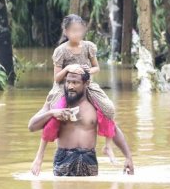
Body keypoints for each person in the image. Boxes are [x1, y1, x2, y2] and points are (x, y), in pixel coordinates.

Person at [30, 14, 117, 175]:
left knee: (109, 108)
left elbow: (96, 67)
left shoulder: (89, 46)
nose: (77, 34)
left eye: (80, 30)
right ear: (66, 32)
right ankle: (39, 156)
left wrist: (86, 72)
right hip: (63, 85)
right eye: (73, 31)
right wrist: (68, 69)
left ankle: (108, 146)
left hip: (86, 83)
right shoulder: (60, 51)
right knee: (55, 115)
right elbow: (56, 78)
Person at [28, 71, 134, 176]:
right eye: (68, 82)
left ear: (86, 84)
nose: (70, 86)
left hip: (89, 159)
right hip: (63, 158)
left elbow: (113, 129)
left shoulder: (96, 105)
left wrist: (128, 157)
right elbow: (32, 126)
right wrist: (51, 113)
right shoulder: (56, 102)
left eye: (75, 83)